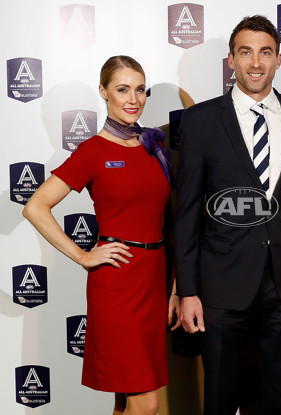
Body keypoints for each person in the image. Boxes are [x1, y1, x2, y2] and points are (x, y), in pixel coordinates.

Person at [22, 55, 177, 415]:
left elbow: (168, 223)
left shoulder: (155, 149)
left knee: (125, 397)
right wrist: (84, 255)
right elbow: (35, 207)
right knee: (147, 403)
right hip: (117, 283)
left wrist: (174, 286)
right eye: (122, 89)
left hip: (153, 278)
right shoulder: (92, 150)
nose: (133, 99)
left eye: (140, 89)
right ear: (103, 92)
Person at [174, 15, 281, 414]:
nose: (256, 62)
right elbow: (186, 213)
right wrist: (187, 290)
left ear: (279, 60)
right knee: (219, 397)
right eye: (246, 52)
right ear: (231, 60)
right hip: (221, 284)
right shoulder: (200, 120)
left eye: (265, 52)